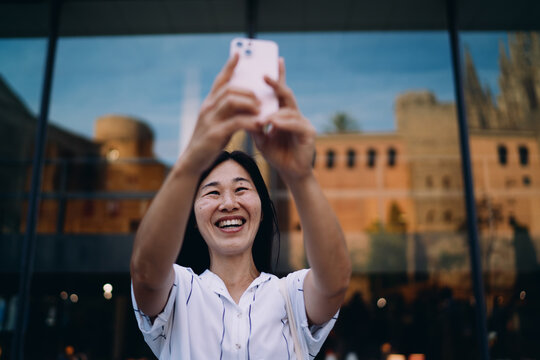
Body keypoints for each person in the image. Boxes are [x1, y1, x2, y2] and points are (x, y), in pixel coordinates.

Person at [130, 52, 352, 359]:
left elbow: (334, 283)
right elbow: (145, 272)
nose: (229, 203)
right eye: (212, 193)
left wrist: (300, 175)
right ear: (193, 217)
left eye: (241, 189)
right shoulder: (178, 291)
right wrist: (192, 159)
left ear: (260, 209)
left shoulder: (290, 295)